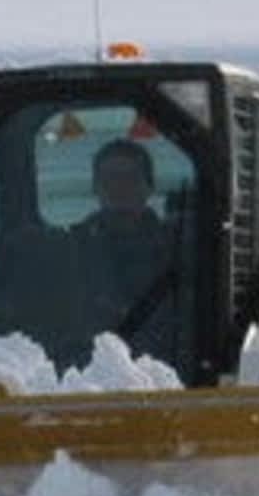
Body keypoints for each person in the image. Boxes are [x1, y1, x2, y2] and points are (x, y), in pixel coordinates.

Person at [71, 138, 181, 360]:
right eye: (110, 179)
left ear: (149, 186)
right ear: (96, 187)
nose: (119, 187)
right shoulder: (71, 252)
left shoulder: (178, 251)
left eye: (129, 178)